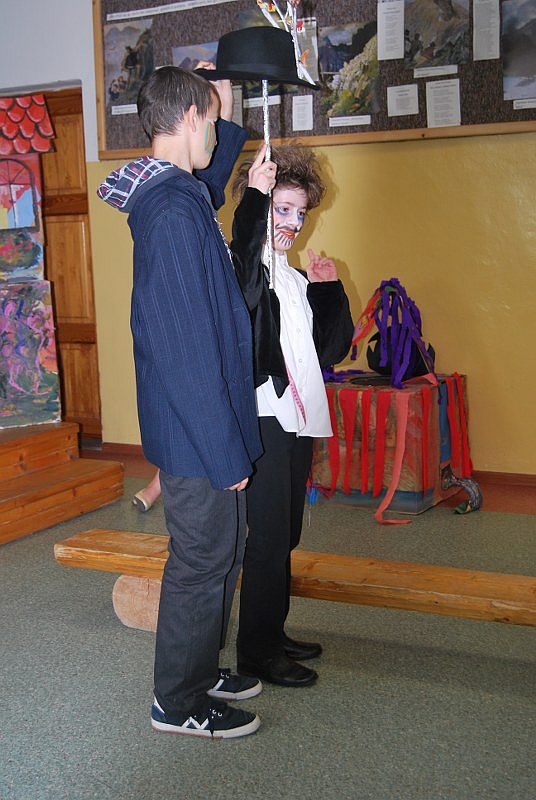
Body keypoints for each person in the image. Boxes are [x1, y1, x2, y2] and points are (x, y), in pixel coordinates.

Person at [97, 65, 268, 739]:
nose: (217, 136)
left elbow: (208, 175)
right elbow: (182, 348)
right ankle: (178, 699)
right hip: (197, 433)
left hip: (204, 426)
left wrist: (218, 102)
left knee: (221, 553)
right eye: (213, 121)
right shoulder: (170, 211)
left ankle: (200, 669)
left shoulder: (178, 193)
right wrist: (225, 452)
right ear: (191, 117)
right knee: (201, 562)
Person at [230, 144, 354, 687]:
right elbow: (246, 275)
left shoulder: (295, 278)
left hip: (299, 423)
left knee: (286, 536)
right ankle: (256, 652)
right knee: (267, 540)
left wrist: (327, 291)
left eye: (299, 212)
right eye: (281, 209)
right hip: (265, 419)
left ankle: (272, 633)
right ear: (260, 205)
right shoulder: (243, 270)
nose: (293, 223)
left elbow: (332, 351)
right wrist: (255, 201)